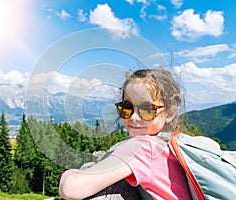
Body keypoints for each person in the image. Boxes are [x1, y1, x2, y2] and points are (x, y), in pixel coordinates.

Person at [59, 69, 219, 200]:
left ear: (170, 113)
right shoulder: (171, 144)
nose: (134, 118)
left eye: (147, 110)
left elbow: (71, 189)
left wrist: (69, 173)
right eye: (126, 108)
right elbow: (213, 145)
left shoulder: (142, 146)